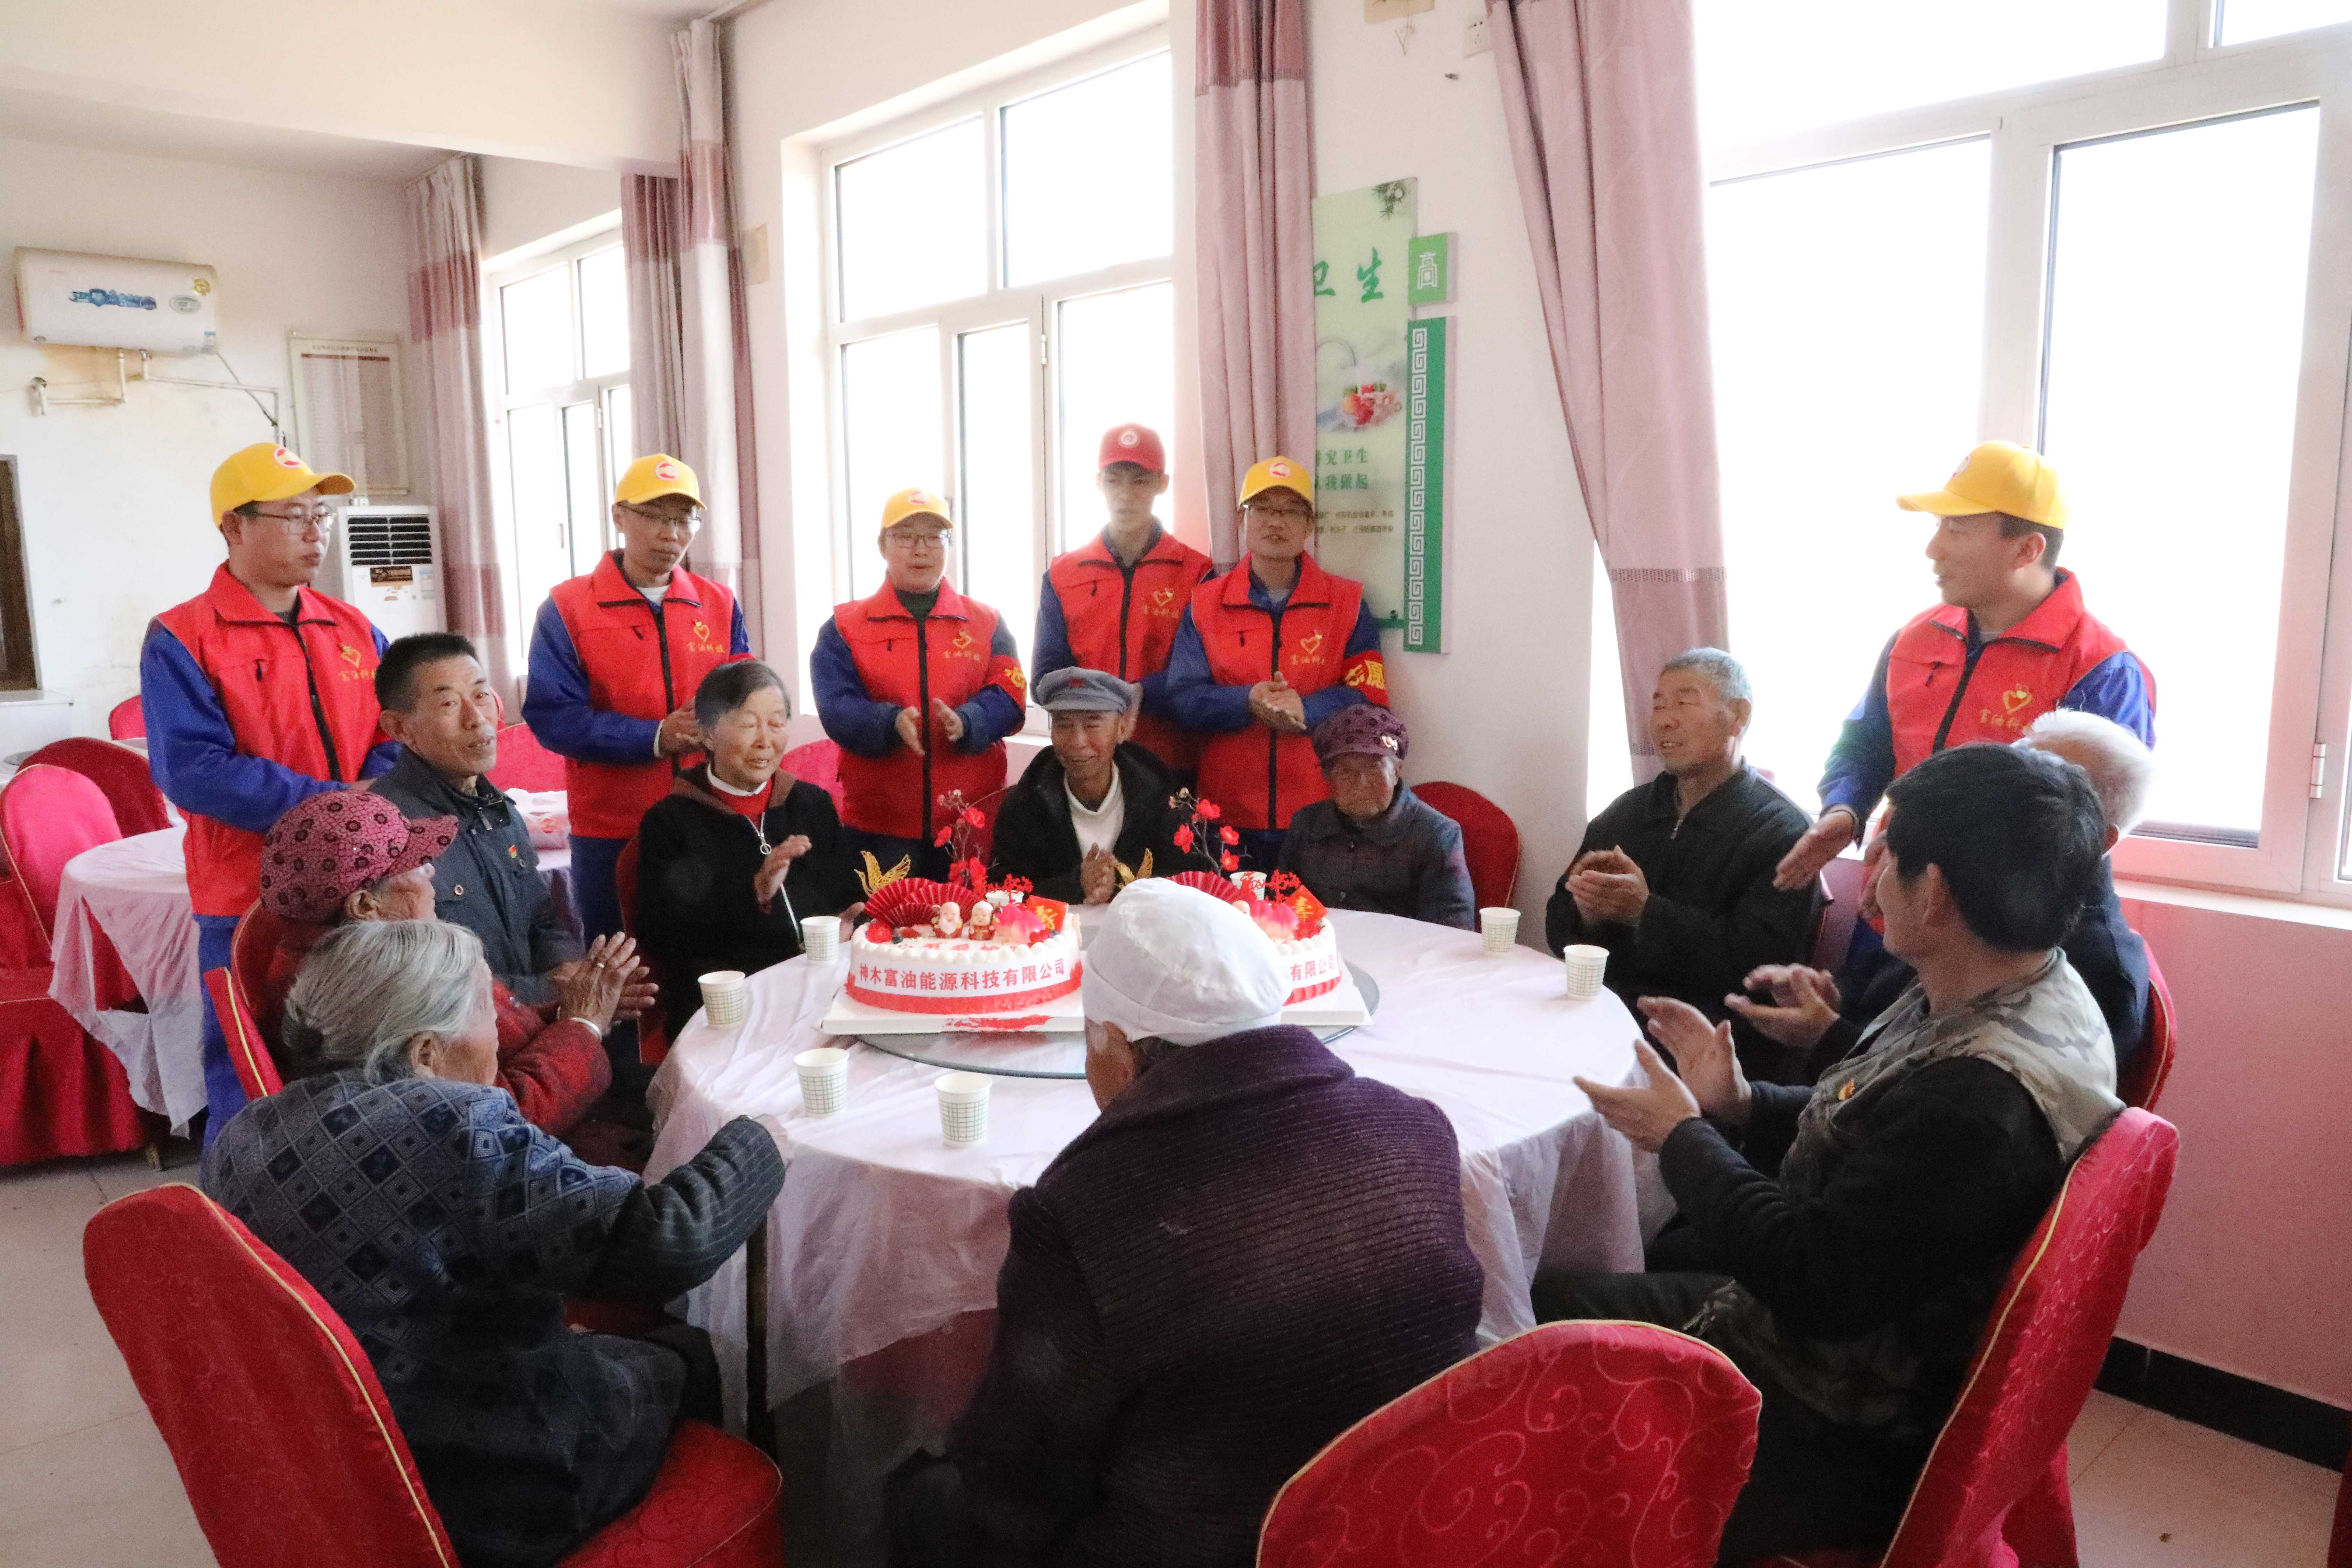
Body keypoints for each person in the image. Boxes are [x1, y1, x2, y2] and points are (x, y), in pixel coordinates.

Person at [1540, 743, 2121, 1562]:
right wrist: (1744, 1100)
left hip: (1826, 1420)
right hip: (1852, 1335)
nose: (1870, 880)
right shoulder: (2024, 983)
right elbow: (1885, 1135)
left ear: (1936, 891)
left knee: (1529, 1315)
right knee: (1608, 1267)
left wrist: (1680, 1136)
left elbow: (1810, 1278)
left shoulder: (1977, 1103)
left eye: (1886, 855)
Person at [890, 879, 1482, 1568]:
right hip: (1415, 1522)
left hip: (1208, 1547)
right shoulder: (1417, 1129)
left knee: (921, 1500)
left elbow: (1018, 1484)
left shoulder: (1085, 1209)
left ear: (1116, 1047)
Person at [204, 918, 784, 1568]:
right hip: (498, 1491)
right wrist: (763, 1132)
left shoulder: (246, 1133)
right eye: (487, 1012)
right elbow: (670, 1239)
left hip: (340, 1470)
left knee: (605, 1343)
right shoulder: (449, 1126)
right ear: (426, 1054)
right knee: (695, 1352)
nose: (502, 1036)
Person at [142, 441, 399, 1142]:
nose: (316, 532)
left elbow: (394, 729)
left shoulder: (353, 627)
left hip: (356, 887)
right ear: (234, 526)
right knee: (248, 1067)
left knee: (361, 1058)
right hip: (247, 896)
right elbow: (192, 769)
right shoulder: (183, 637)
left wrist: (375, 785)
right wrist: (335, 802)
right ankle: (236, 1201)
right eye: (294, 516)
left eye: (322, 516)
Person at [1774, 440, 2152, 897]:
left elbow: (2080, 828)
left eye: (1956, 529)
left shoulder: (2100, 668)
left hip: (2007, 925)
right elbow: (1866, 743)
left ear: (2026, 550)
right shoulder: (1915, 638)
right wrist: (1845, 810)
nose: (1933, 549)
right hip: (1897, 900)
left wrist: (1934, 854)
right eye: (1938, 526)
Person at [1734, 709, 2155, 1084]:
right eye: (2016, 762)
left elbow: (1956, 1093)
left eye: (2048, 786)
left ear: (2100, 838)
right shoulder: (1972, 878)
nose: (2003, 789)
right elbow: (1890, 986)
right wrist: (1836, 999)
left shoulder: (2098, 967)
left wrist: (1827, 1035)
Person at [247, 791, 643, 1139]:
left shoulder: (349, 957)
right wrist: (583, 1024)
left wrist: (573, 1009)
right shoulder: (367, 992)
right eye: (414, 864)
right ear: (366, 906)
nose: (431, 870)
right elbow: (494, 1123)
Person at [1545, 649, 1814, 1070]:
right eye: (1658, 705)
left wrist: (1644, 913)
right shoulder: (1629, 811)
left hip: (1707, 1042)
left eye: (1685, 702)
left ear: (1738, 715)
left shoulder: (1782, 830)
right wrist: (1588, 914)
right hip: (1603, 1016)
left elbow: (1757, 967)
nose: (1664, 720)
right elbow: (1558, 926)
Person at [524, 453, 750, 944]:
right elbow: (553, 717)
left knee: (716, 956)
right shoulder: (567, 608)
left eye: (684, 519)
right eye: (654, 516)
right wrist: (656, 736)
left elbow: (744, 695)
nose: (671, 534)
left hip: (708, 816)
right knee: (622, 962)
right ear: (619, 516)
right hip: (613, 828)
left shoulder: (718, 603)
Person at [1163, 457, 1388, 868]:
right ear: (1242, 519)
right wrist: (1246, 701)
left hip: (1322, 811)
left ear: (1310, 525)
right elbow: (1182, 699)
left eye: (1291, 511)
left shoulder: (1348, 604)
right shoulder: (1205, 604)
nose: (1276, 521)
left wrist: (1308, 708)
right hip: (1226, 816)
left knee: (1314, 912)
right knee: (1230, 912)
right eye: (1263, 508)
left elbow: (1372, 703)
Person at [634, 661, 864, 1038]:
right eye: (748, 724)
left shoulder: (811, 805)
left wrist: (851, 921)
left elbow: (846, 895)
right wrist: (754, 893)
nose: (765, 740)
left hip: (821, 994)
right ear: (707, 735)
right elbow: (664, 937)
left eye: (776, 724)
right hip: (727, 1008)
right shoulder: (671, 822)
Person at [812, 488, 1027, 880]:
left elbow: (1010, 696)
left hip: (971, 823)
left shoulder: (988, 623)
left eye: (934, 537)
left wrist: (971, 721)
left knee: (974, 920)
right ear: (882, 546)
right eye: (906, 537)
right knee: (884, 920)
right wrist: (888, 723)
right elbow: (836, 707)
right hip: (880, 826)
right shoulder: (844, 627)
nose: (921, 549)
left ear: (950, 545)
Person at [370, 632, 583, 1004]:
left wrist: (568, 971)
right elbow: (421, 980)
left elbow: (541, 919)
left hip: (531, 1017)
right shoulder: (387, 833)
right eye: (449, 704)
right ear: (400, 729)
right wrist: (549, 993)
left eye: (482, 695)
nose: (477, 718)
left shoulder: (501, 809)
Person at [1032, 424, 1216, 773]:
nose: (1126, 495)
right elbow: (1044, 679)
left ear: (1162, 484)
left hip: (1170, 763)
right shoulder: (1063, 574)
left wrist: (1140, 693)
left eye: (1140, 481)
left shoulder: (1197, 574)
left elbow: (1202, 674)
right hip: (1085, 763)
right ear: (1098, 482)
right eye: (1114, 480)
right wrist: (1104, 701)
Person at [988, 666, 1190, 906]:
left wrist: (1118, 881)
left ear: (1122, 729)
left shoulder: (1160, 795)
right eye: (1064, 725)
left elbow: (1184, 882)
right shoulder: (1026, 802)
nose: (1078, 742)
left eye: (1093, 725)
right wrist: (1076, 885)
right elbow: (1004, 893)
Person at [1277, 706, 1474, 929]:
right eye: (1344, 771)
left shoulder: (1437, 835)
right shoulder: (1307, 824)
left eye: (1373, 768)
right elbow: (1282, 905)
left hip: (1403, 950)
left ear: (1397, 772)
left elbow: (1451, 932)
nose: (1361, 783)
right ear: (1327, 778)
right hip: (1318, 946)